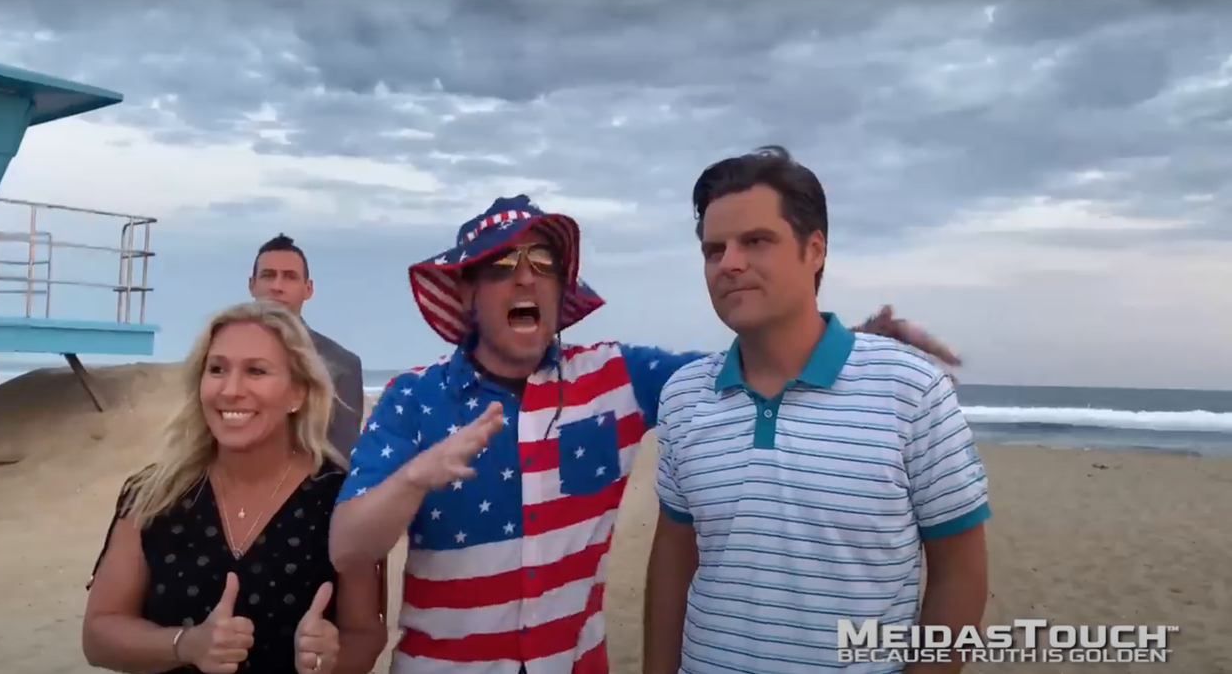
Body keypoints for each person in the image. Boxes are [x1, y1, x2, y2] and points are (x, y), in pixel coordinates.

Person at [327, 194, 965, 674]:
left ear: (560, 289)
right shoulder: (413, 398)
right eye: (499, 264)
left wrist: (859, 340)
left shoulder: (618, 378)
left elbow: (753, 365)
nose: (524, 276)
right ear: (468, 294)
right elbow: (348, 546)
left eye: (542, 261)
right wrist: (415, 478)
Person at [643, 147, 990, 674]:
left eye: (755, 241)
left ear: (815, 250)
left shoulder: (911, 390)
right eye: (714, 250)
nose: (729, 263)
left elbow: (960, 572)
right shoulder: (685, 395)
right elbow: (674, 558)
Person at [83, 300, 387, 674]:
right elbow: (99, 634)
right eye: (217, 369)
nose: (230, 389)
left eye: (256, 371)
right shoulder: (153, 494)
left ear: (297, 392)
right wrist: (185, 644)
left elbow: (365, 636)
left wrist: (330, 660)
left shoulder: (343, 500)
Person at [250, 234, 365, 458]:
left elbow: (342, 455)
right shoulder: (219, 352)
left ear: (308, 289)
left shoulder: (341, 364)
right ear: (252, 285)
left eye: (289, 277)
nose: (277, 286)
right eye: (268, 276)